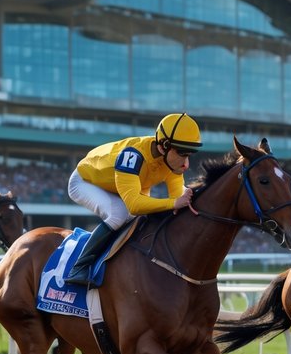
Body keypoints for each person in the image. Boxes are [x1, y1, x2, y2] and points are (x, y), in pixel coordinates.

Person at [64, 113, 200, 287]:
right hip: (86, 181)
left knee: (143, 220)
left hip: (125, 184)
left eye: (189, 154)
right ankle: (79, 266)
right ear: (164, 146)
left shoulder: (171, 162)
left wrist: (185, 201)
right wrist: (174, 203)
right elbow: (135, 205)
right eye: (182, 153)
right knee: (119, 215)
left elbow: (176, 198)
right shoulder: (133, 155)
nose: (186, 163)